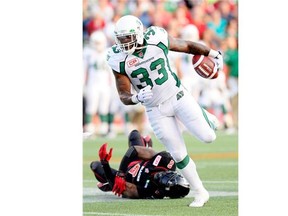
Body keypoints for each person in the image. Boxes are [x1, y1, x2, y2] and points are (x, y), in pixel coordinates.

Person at [106, 15, 223, 207]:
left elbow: (186, 46)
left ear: (138, 34)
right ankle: (200, 192)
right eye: (121, 38)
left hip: (178, 97)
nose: (123, 43)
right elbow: (123, 92)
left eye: (127, 37)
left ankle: (206, 116)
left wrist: (213, 54)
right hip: (155, 109)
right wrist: (135, 97)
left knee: (209, 137)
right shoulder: (117, 58)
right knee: (178, 154)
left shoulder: (155, 38)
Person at [90, 130, 190, 199]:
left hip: (127, 178)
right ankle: (148, 147)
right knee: (134, 134)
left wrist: (105, 164)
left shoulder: (148, 191)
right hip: (136, 161)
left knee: (95, 166)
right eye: (167, 175)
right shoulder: (167, 161)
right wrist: (121, 172)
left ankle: (108, 185)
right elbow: (133, 150)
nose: (161, 175)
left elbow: (120, 186)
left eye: (163, 179)